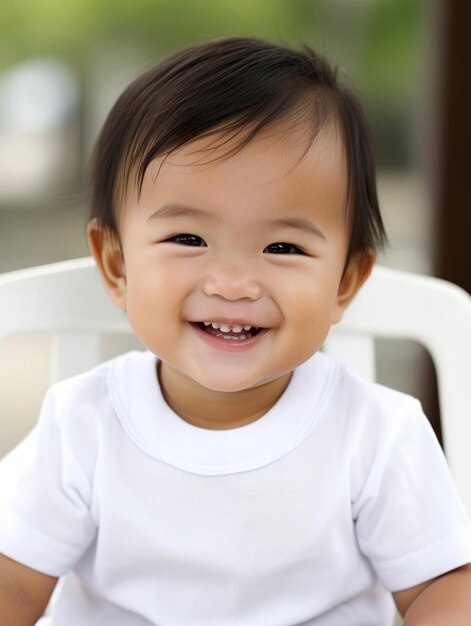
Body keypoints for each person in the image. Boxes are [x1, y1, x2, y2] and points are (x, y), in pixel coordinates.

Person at [0, 37, 470, 626]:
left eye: (283, 246)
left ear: (346, 282)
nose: (232, 283)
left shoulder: (375, 434)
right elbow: (13, 582)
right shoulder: (83, 424)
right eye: (188, 239)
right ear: (117, 266)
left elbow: (443, 588)